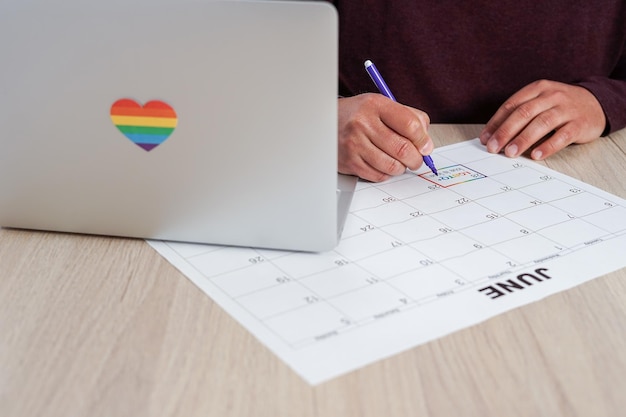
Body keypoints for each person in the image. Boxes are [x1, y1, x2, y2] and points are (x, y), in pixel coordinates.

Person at [328, 1, 626, 182]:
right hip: (351, 162)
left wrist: (605, 101)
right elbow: (281, 48)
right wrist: (316, 118)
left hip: (586, 162)